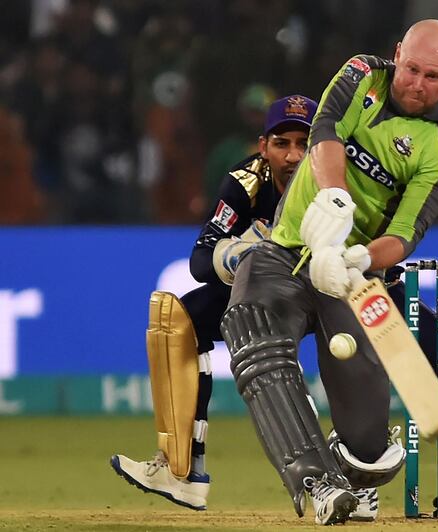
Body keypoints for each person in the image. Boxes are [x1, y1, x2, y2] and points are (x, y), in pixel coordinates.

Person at [219, 19, 438, 526]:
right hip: (286, 252)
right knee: (253, 334)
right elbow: (326, 130)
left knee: (369, 444)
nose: (417, 83)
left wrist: (358, 259)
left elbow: (405, 234)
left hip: (351, 280)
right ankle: (317, 481)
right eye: (412, 68)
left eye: (433, 77)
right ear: (397, 53)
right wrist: (335, 196)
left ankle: (356, 465)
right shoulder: (363, 74)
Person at [109, 94, 319, 511]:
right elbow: (201, 260)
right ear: (263, 146)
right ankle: (182, 472)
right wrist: (239, 254)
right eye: (282, 143)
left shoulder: (336, 180)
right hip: (265, 292)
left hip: (330, 290)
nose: (293, 156)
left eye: (303, 143)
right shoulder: (245, 182)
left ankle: (355, 466)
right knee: (177, 319)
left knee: (407, 326)